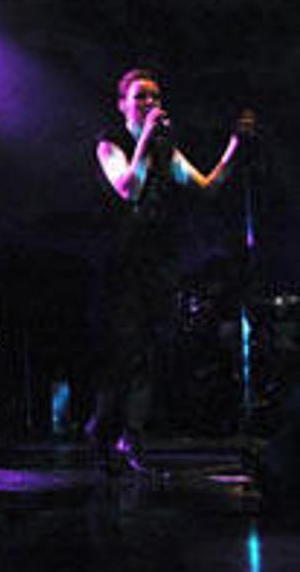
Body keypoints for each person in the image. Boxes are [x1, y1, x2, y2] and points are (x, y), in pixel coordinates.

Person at [91, 67, 253, 471]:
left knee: (149, 348)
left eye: (155, 97)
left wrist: (234, 147)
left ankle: (131, 437)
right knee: (126, 349)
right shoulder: (110, 144)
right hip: (121, 259)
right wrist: (146, 139)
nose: (150, 103)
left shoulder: (166, 150)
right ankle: (104, 430)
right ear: (123, 104)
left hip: (158, 258)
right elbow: (129, 188)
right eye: (141, 96)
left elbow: (206, 187)